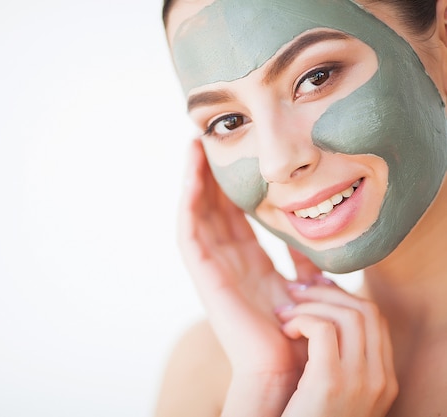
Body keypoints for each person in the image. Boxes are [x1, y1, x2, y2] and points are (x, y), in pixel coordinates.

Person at [155, 0, 447, 416]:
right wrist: (267, 387)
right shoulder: (216, 370)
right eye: (229, 122)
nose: (276, 163)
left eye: (315, 78)